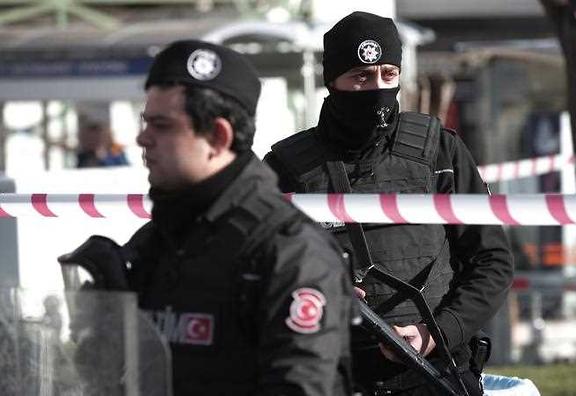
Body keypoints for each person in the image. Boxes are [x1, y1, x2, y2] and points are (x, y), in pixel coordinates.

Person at [61, 40, 353, 396]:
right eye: (145, 122)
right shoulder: (157, 242)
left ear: (217, 137)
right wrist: (100, 328)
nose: (142, 138)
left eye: (162, 126)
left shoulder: (289, 253)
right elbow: (103, 376)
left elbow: (301, 385)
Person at [263, 12, 514, 396]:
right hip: (332, 372)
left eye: (388, 75)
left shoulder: (441, 152)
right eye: (361, 77)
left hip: (437, 371)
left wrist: (437, 333)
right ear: (332, 81)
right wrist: (317, 289)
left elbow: (491, 261)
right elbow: (259, 272)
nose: (377, 88)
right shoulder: (287, 168)